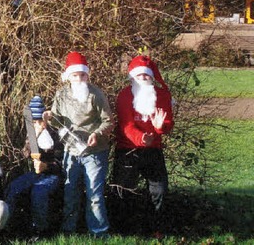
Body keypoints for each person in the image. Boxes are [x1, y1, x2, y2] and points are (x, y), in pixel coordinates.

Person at [42, 51, 114, 237]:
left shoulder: (96, 95)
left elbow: (109, 121)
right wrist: (49, 117)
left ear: (87, 75)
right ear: (68, 77)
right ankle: (69, 230)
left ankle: (99, 232)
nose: (79, 78)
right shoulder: (62, 95)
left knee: (95, 195)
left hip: (94, 152)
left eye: (82, 75)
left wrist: (97, 134)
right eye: (75, 75)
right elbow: (57, 121)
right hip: (71, 152)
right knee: (70, 192)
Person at [111, 55, 174, 238]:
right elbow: (126, 125)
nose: (143, 79)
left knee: (159, 189)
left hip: (153, 149)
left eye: (146, 76)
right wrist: (141, 138)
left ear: (152, 77)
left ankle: (155, 228)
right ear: (132, 78)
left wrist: (160, 127)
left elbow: (168, 122)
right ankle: (123, 229)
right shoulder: (124, 95)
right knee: (122, 189)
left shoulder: (162, 96)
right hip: (128, 148)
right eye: (139, 76)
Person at [5, 96, 62, 236]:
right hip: (35, 174)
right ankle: (8, 225)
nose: (37, 124)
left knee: (39, 192)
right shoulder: (31, 134)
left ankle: (40, 229)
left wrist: (47, 166)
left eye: (39, 121)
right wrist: (33, 138)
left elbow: (62, 163)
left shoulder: (56, 135)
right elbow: (25, 154)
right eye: (34, 122)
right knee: (14, 187)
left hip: (53, 175)